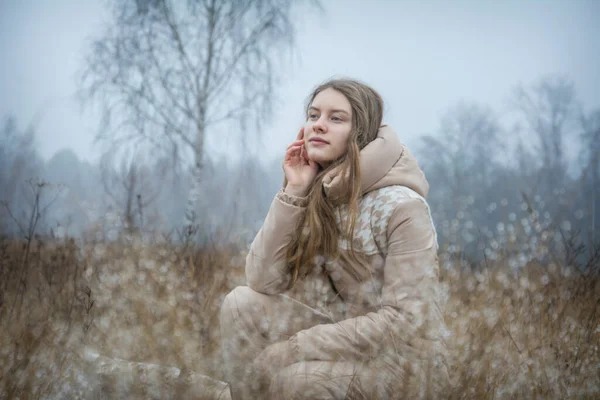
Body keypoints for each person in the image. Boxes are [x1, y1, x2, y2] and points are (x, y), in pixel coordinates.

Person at [220, 78, 450, 399]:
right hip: (342, 339)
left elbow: (404, 321)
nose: (319, 126)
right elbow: (262, 280)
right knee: (240, 304)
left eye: (336, 118)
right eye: (313, 116)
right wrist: (294, 191)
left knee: (297, 379)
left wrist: (297, 347)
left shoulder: (403, 206)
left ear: (361, 133)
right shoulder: (321, 190)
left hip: (401, 363)